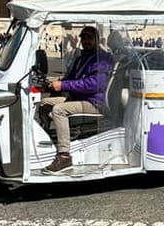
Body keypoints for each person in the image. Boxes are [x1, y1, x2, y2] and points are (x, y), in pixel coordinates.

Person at [40, 26, 114, 174]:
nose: (85, 41)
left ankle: (64, 156)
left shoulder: (103, 59)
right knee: (44, 104)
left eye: (89, 38)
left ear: (97, 40)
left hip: (94, 102)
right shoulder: (82, 57)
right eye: (83, 38)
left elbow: (94, 85)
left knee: (59, 110)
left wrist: (62, 84)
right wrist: (52, 85)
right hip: (80, 98)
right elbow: (71, 78)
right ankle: (50, 141)